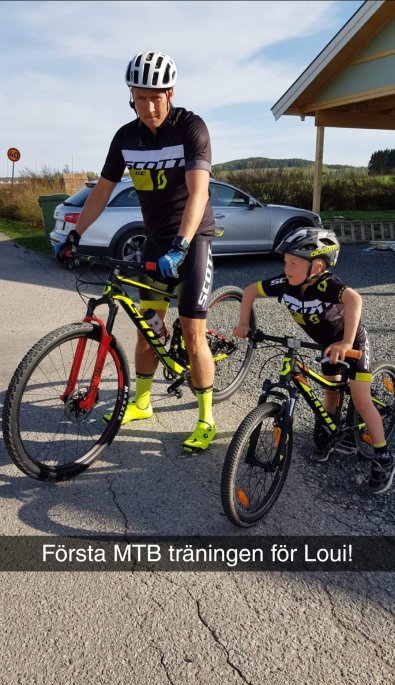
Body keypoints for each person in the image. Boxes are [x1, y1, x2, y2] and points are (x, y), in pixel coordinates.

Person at [54, 50, 216, 453]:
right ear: (131, 96)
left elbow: (199, 193)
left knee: (194, 336)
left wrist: (181, 246)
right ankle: (142, 403)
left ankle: (206, 417)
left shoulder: (191, 127)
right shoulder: (126, 137)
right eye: (139, 97)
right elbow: (101, 193)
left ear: (170, 92)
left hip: (190, 239)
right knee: (147, 326)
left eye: (155, 97)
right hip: (156, 239)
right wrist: (74, 236)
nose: (147, 106)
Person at [233, 227, 394, 495]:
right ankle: (333, 435)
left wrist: (346, 342)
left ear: (317, 265)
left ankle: (384, 457)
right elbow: (249, 291)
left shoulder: (326, 284)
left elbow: (354, 299)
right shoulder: (286, 284)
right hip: (328, 346)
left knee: (363, 401)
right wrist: (242, 323)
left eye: (293, 263)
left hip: (354, 345)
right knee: (330, 392)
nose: (287, 268)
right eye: (285, 262)